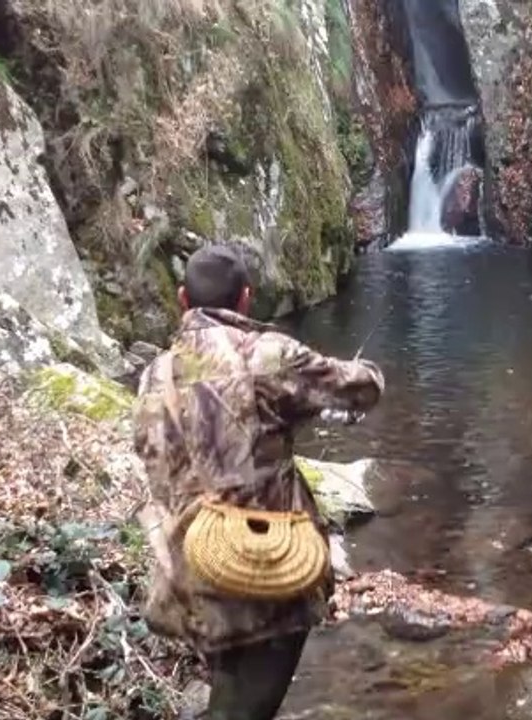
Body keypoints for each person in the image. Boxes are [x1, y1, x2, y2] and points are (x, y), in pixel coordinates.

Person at [131, 245, 385, 720]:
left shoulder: (152, 375)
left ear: (183, 299)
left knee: (230, 679)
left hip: (191, 567)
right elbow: (360, 389)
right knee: (246, 707)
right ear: (246, 299)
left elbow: (155, 459)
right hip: (264, 570)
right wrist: (371, 372)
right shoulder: (269, 355)